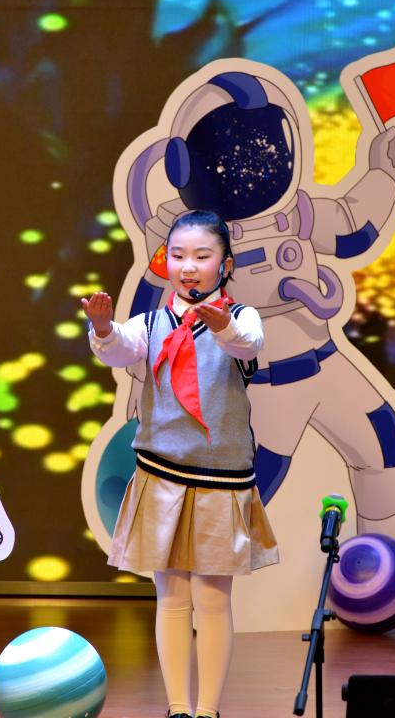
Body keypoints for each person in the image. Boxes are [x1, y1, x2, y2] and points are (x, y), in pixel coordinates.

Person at [83, 209, 277, 718]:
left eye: (202, 256)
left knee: (212, 599)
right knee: (171, 598)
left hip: (221, 480)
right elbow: (120, 350)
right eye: (178, 256)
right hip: (163, 474)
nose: (188, 266)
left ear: (225, 264)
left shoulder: (243, 318)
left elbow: (247, 344)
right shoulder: (150, 323)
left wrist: (223, 324)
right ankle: (177, 708)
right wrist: (102, 328)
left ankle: (208, 710)